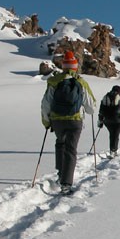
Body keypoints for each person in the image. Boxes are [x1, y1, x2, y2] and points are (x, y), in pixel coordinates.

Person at [41, 51, 95, 194]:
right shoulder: (81, 82)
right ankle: (66, 184)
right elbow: (90, 107)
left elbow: (45, 104)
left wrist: (46, 122)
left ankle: (60, 174)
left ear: (64, 66)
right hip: (75, 120)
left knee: (60, 143)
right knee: (71, 149)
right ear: (75, 67)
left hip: (57, 120)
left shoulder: (54, 81)